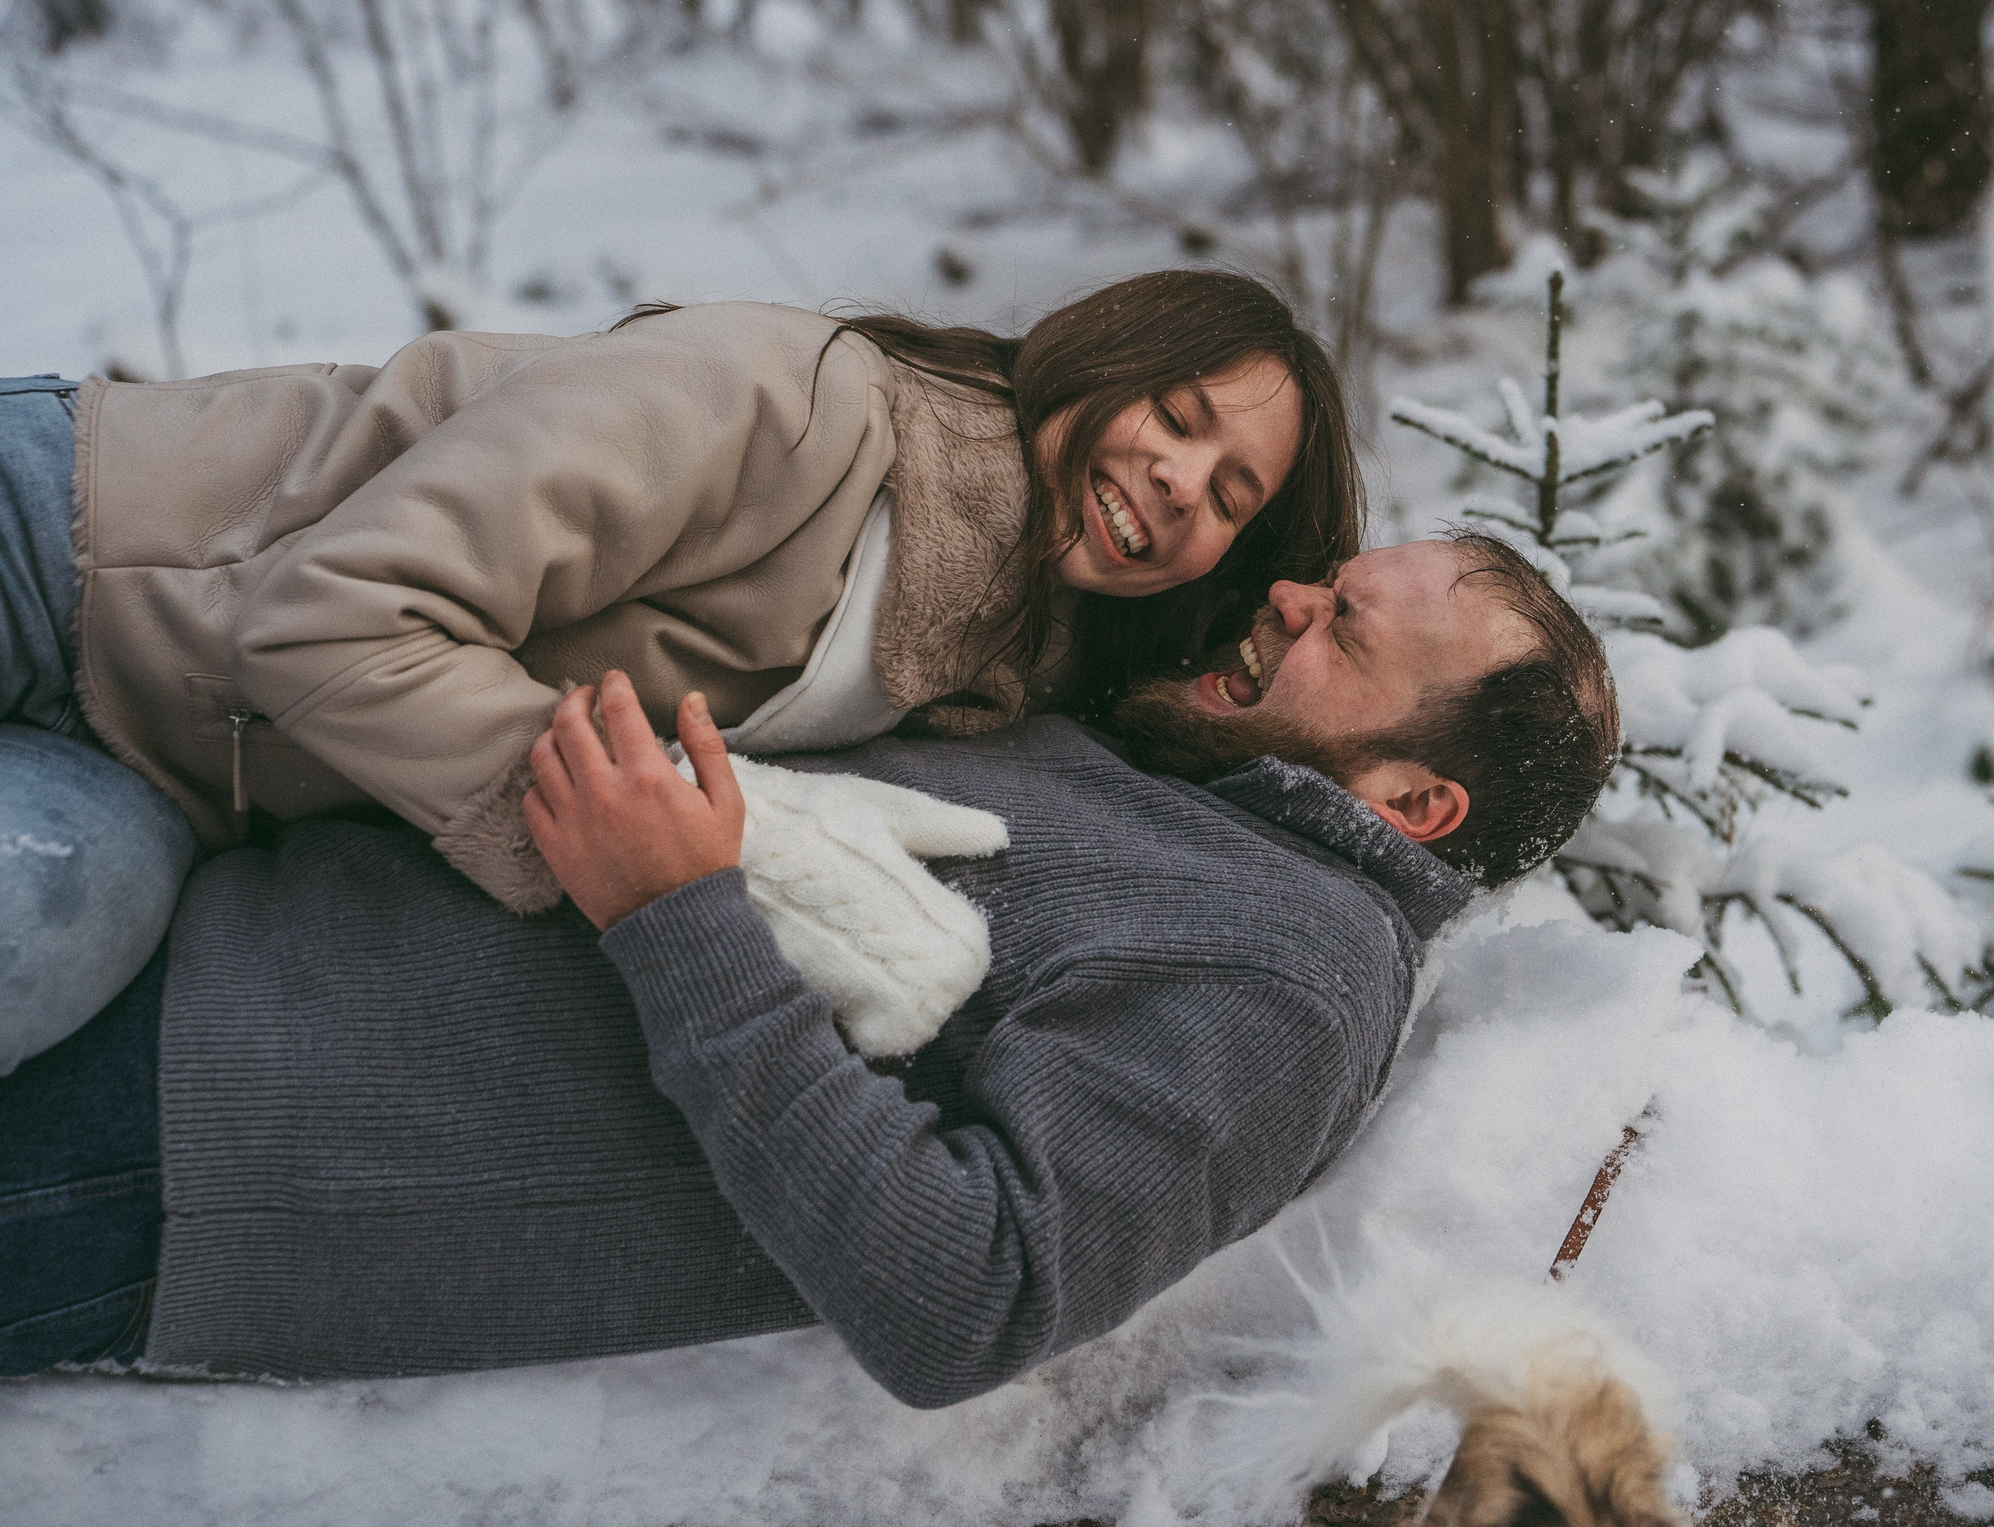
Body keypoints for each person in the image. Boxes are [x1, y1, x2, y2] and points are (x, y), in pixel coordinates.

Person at [0, 533, 1620, 1402]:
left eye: (1345, 624)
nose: (1286, 593)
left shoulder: (1294, 975)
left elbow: (971, 1296)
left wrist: (673, 914)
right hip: (200, 929)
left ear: (1416, 805)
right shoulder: (1165, 771)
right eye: (1331, 576)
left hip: (198, 1147)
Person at [0, 270, 1360, 1077]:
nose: (1181, 485)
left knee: (32, 930)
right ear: (1097, 361)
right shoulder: (789, 399)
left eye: (1232, 496)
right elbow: (331, 611)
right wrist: (647, 837)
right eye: (1174, 419)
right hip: (72, 547)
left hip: (168, 773)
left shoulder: (985, 676)